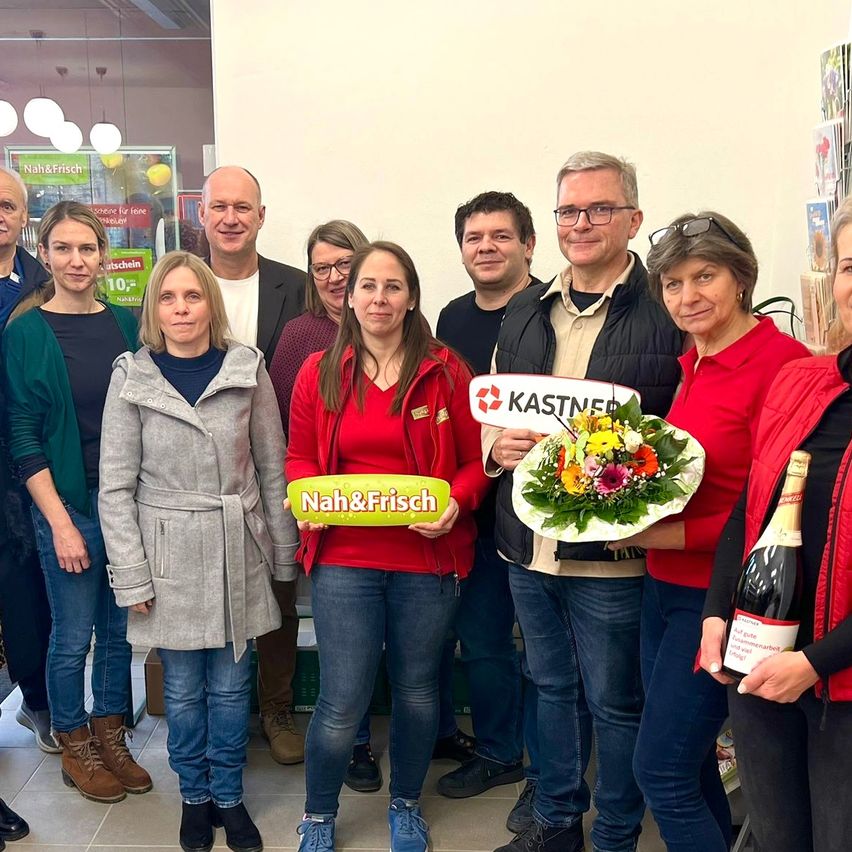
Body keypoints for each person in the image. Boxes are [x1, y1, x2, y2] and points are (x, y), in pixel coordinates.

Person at [484, 152, 683, 852]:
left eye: (599, 209)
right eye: (569, 210)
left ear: (633, 218)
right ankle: (559, 823)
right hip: (526, 546)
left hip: (611, 557)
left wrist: (639, 509)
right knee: (550, 687)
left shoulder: (666, 312)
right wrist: (495, 450)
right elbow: (498, 406)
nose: (582, 224)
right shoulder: (523, 307)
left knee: (616, 702)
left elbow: (683, 442)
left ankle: (617, 836)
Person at [609, 212, 809, 851]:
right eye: (672, 283)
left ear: (742, 277)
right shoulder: (693, 358)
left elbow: (779, 506)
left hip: (719, 601)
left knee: (659, 771)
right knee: (689, 765)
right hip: (662, 590)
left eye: (705, 277)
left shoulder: (784, 366)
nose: (687, 296)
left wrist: (661, 537)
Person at [286, 241, 489, 852]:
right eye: (367, 286)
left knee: (419, 689)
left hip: (427, 561)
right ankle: (318, 815)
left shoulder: (447, 369)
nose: (379, 298)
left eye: (392, 286)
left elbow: (477, 461)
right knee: (341, 698)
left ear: (410, 297)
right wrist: (305, 495)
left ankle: (404, 804)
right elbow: (298, 458)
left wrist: (456, 501)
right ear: (349, 297)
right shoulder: (318, 370)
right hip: (345, 559)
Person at [99, 250, 299, 852]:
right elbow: (114, 486)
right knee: (183, 689)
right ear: (153, 310)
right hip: (168, 555)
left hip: (237, 546)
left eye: (192, 296)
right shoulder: (132, 376)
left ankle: (230, 797)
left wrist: (283, 555)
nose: (181, 308)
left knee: (234, 686)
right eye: (168, 298)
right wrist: (132, 576)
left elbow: (272, 466)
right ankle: (194, 796)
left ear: (211, 304)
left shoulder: (247, 368)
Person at [699, 198, 852, 852]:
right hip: (761, 670)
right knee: (780, 837)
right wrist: (714, 615)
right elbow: (751, 510)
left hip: (838, 685)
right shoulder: (801, 382)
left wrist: (816, 664)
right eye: (850, 265)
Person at [2, 201, 150, 803]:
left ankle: (111, 731)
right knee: (71, 635)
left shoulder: (126, 323)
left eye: (87, 248)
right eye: (62, 248)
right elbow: (22, 436)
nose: (76, 260)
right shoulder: (26, 330)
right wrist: (60, 524)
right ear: (47, 254)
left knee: (119, 631)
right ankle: (74, 741)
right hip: (64, 504)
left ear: (103, 254)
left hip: (122, 503)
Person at [268, 218, 396, 793]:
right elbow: (276, 426)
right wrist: (299, 503)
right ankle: (356, 745)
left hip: (398, 521)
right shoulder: (300, 336)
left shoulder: (405, 332)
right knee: (343, 643)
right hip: (329, 524)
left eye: (346, 264)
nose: (336, 277)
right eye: (323, 267)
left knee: (391, 640)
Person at [435, 191, 540, 817]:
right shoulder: (450, 318)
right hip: (473, 508)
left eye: (500, 236)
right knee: (483, 641)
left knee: (549, 649)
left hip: (543, 512)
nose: (487, 248)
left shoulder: (551, 310)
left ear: (528, 244)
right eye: (475, 238)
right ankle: (501, 751)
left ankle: (545, 760)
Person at [200, 164, 307, 765]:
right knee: (213, 594)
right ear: (202, 216)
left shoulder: (297, 288)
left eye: (244, 207)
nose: (232, 218)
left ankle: (277, 706)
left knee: (278, 593)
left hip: (275, 468)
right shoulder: (183, 286)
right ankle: (225, 711)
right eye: (220, 207)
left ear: (261, 216)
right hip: (202, 478)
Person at [0, 166, 58, 753]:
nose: (0, 213)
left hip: (26, 457)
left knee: (28, 587)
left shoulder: (44, 283)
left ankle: (38, 702)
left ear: (23, 216)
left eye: (9, 205)